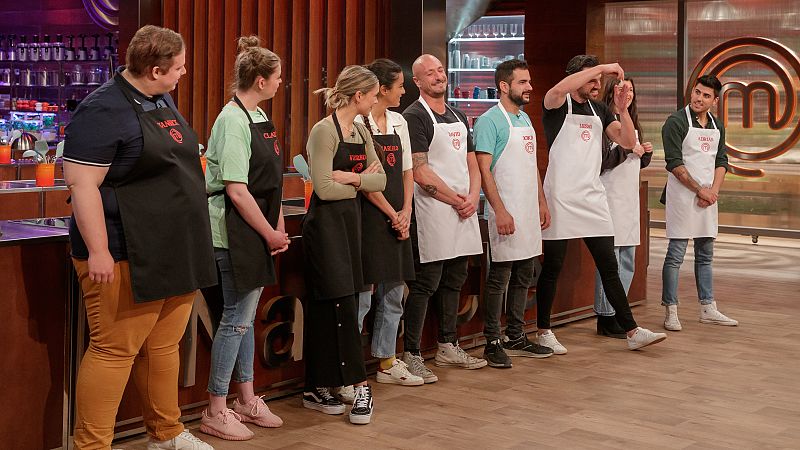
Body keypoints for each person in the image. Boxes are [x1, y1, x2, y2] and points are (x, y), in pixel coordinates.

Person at [63, 25, 215, 449]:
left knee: (165, 346)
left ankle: (166, 433)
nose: (184, 73)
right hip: (126, 250)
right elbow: (82, 186)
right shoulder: (101, 111)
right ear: (153, 69)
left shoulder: (159, 97)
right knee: (114, 351)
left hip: (176, 246)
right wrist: (98, 251)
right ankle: (92, 445)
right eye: (179, 67)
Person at [537, 54, 667, 353]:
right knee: (553, 266)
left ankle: (632, 330)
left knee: (609, 265)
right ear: (576, 77)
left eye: (599, 79)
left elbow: (626, 141)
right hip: (560, 197)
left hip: (592, 197)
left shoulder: (600, 110)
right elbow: (557, 90)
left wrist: (622, 110)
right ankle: (544, 330)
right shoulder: (556, 105)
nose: (597, 84)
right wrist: (603, 68)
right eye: (591, 79)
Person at [199, 36, 288, 441]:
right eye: (277, 77)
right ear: (258, 79)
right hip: (233, 231)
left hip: (259, 227)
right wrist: (268, 230)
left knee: (246, 318)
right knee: (234, 320)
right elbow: (236, 189)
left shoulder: (258, 116)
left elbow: (269, 183)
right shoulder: (232, 121)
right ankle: (216, 407)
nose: (280, 83)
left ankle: (246, 398)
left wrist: (279, 222)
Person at [302, 65, 386, 425]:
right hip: (325, 228)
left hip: (351, 226)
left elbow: (380, 177)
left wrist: (351, 178)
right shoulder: (324, 131)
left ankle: (317, 385)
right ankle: (359, 385)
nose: (376, 100)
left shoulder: (363, 130)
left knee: (346, 300)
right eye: (373, 95)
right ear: (359, 96)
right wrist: (360, 183)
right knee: (335, 304)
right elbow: (322, 188)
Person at [401, 53, 487, 382]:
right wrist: (455, 200)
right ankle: (411, 353)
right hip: (433, 210)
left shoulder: (458, 114)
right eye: (429, 73)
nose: (438, 76)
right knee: (426, 282)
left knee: (455, 277)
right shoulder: (413, 117)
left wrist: (472, 198)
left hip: (462, 208)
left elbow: (472, 161)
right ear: (418, 82)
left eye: (440, 70)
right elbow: (421, 171)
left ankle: (448, 344)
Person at [473, 59, 554, 368]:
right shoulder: (489, 121)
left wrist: (542, 202)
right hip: (504, 211)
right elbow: (484, 170)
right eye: (523, 82)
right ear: (504, 86)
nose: (530, 87)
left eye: (529, 82)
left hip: (528, 211)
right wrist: (500, 210)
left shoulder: (524, 120)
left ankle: (516, 335)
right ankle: (492, 340)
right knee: (500, 277)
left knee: (524, 274)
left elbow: (532, 164)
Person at [355, 58, 422, 386]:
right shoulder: (358, 121)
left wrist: (406, 210)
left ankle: (386, 361)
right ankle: (351, 367)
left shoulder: (398, 121)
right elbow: (363, 179)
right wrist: (390, 212)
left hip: (399, 215)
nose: (404, 91)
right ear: (382, 89)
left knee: (394, 290)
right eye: (399, 86)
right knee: (364, 294)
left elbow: (407, 170)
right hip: (370, 215)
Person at [661, 74, 737, 330]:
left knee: (705, 254)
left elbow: (721, 160)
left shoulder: (717, 125)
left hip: (708, 198)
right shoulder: (675, 122)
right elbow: (674, 163)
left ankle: (708, 307)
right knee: (675, 255)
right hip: (683, 198)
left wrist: (712, 191)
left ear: (714, 101)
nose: (699, 98)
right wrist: (699, 191)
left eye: (706, 96)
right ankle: (671, 311)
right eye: (697, 92)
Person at [593, 77, 653, 339]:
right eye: (621, 89)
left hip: (629, 201)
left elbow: (634, 162)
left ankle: (620, 311)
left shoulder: (632, 122)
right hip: (609, 198)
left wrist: (643, 155)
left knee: (627, 259)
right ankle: (606, 317)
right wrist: (630, 152)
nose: (626, 94)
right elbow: (602, 161)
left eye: (630, 90)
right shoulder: (603, 122)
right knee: (611, 261)